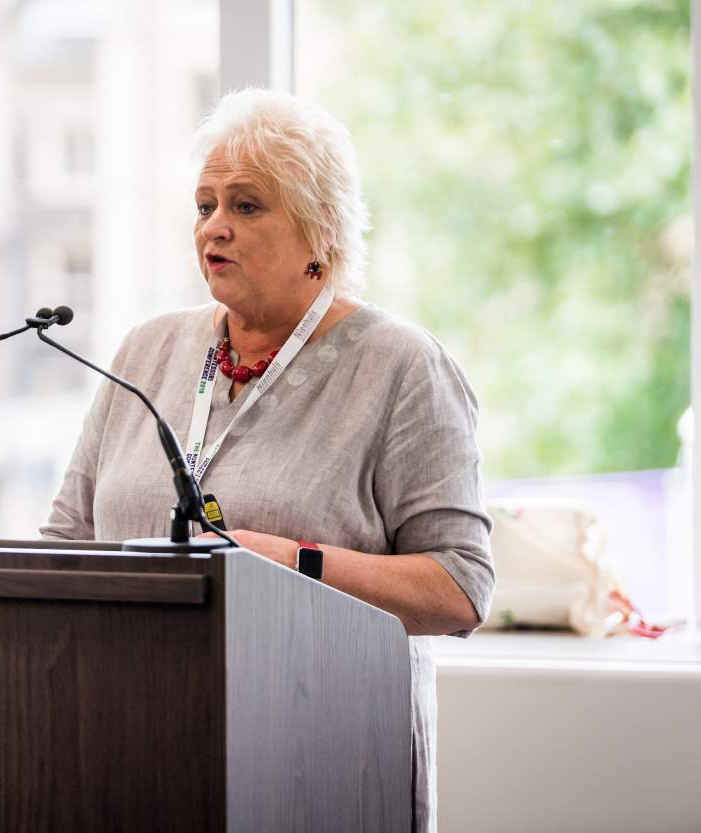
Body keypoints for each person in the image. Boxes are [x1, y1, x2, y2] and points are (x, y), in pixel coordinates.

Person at [40, 88, 494, 833]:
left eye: (246, 206)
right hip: (125, 743)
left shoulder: (401, 366)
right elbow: (63, 542)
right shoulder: (148, 351)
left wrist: (288, 562)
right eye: (205, 205)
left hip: (318, 761)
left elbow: (460, 586)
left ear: (322, 230)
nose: (214, 226)